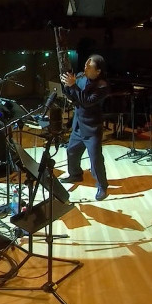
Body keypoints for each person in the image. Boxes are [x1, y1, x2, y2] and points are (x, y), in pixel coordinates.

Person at [60, 54, 112, 200]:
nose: (85, 68)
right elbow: (73, 96)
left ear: (98, 71)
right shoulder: (82, 78)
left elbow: (87, 101)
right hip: (78, 125)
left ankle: (102, 186)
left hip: (92, 127)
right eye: (85, 65)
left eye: (89, 67)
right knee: (71, 151)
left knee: (95, 158)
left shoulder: (102, 86)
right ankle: (76, 175)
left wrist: (73, 85)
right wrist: (66, 85)